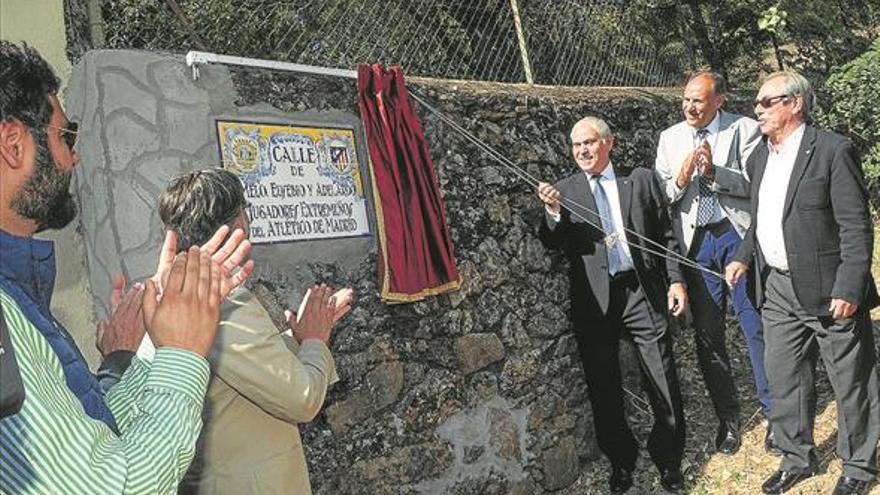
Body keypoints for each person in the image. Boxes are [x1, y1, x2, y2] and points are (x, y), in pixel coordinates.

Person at [0, 41, 251, 494]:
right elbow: (112, 486)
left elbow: (100, 435)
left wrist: (158, 340)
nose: (73, 158)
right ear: (14, 145)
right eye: (64, 136)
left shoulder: (17, 295)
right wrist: (183, 355)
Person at [138, 168, 352, 495]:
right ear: (238, 223)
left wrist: (296, 339)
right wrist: (315, 340)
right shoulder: (223, 303)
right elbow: (302, 398)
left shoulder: (178, 299)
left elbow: (240, 369)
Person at [726, 71, 880, 495]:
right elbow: (759, 221)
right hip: (776, 288)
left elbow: (855, 226)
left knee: (850, 380)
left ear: (794, 104)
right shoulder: (759, 156)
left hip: (830, 289)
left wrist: (850, 287)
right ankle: (797, 457)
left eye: (766, 102)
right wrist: (742, 258)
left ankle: (859, 467)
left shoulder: (832, 150)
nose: (757, 108)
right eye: (756, 102)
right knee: (784, 375)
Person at [537, 116, 688, 494]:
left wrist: (675, 280)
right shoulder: (564, 191)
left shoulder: (638, 182)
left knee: (662, 378)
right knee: (603, 386)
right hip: (595, 303)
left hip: (641, 292)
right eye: (576, 146)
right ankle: (622, 461)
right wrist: (553, 213)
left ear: (609, 143)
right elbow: (552, 243)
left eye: (589, 143)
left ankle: (669, 459)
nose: (583, 151)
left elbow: (666, 236)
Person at [654, 71, 774, 455]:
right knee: (709, 336)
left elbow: (760, 185)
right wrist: (682, 179)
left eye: (699, 100)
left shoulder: (745, 129)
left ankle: (775, 415)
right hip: (696, 244)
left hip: (734, 237)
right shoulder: (669, 138)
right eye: (686, 99)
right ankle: (729, 420)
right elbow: (662, 195)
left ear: (719, 101)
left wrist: (713, 173)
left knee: (754, 326)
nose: (690, 107)